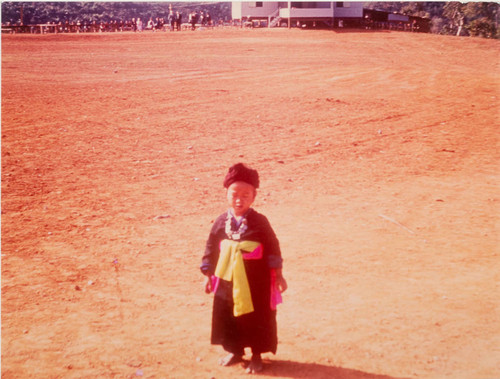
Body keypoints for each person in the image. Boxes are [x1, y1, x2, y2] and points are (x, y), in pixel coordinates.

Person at [201, 163, 287, 374]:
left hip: (255, 280)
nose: (239, 199)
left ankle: (257, 354)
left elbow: (273, 246)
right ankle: (235, 350)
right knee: (228, 314)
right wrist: (208, 274)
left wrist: (278, 274)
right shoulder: (221, 221)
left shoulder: (260, 222)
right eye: (234, 194)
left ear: (254, 197)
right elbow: (211, 247)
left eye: (245, 195)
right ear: (226, 194)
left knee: (257, 316)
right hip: (227, 278)